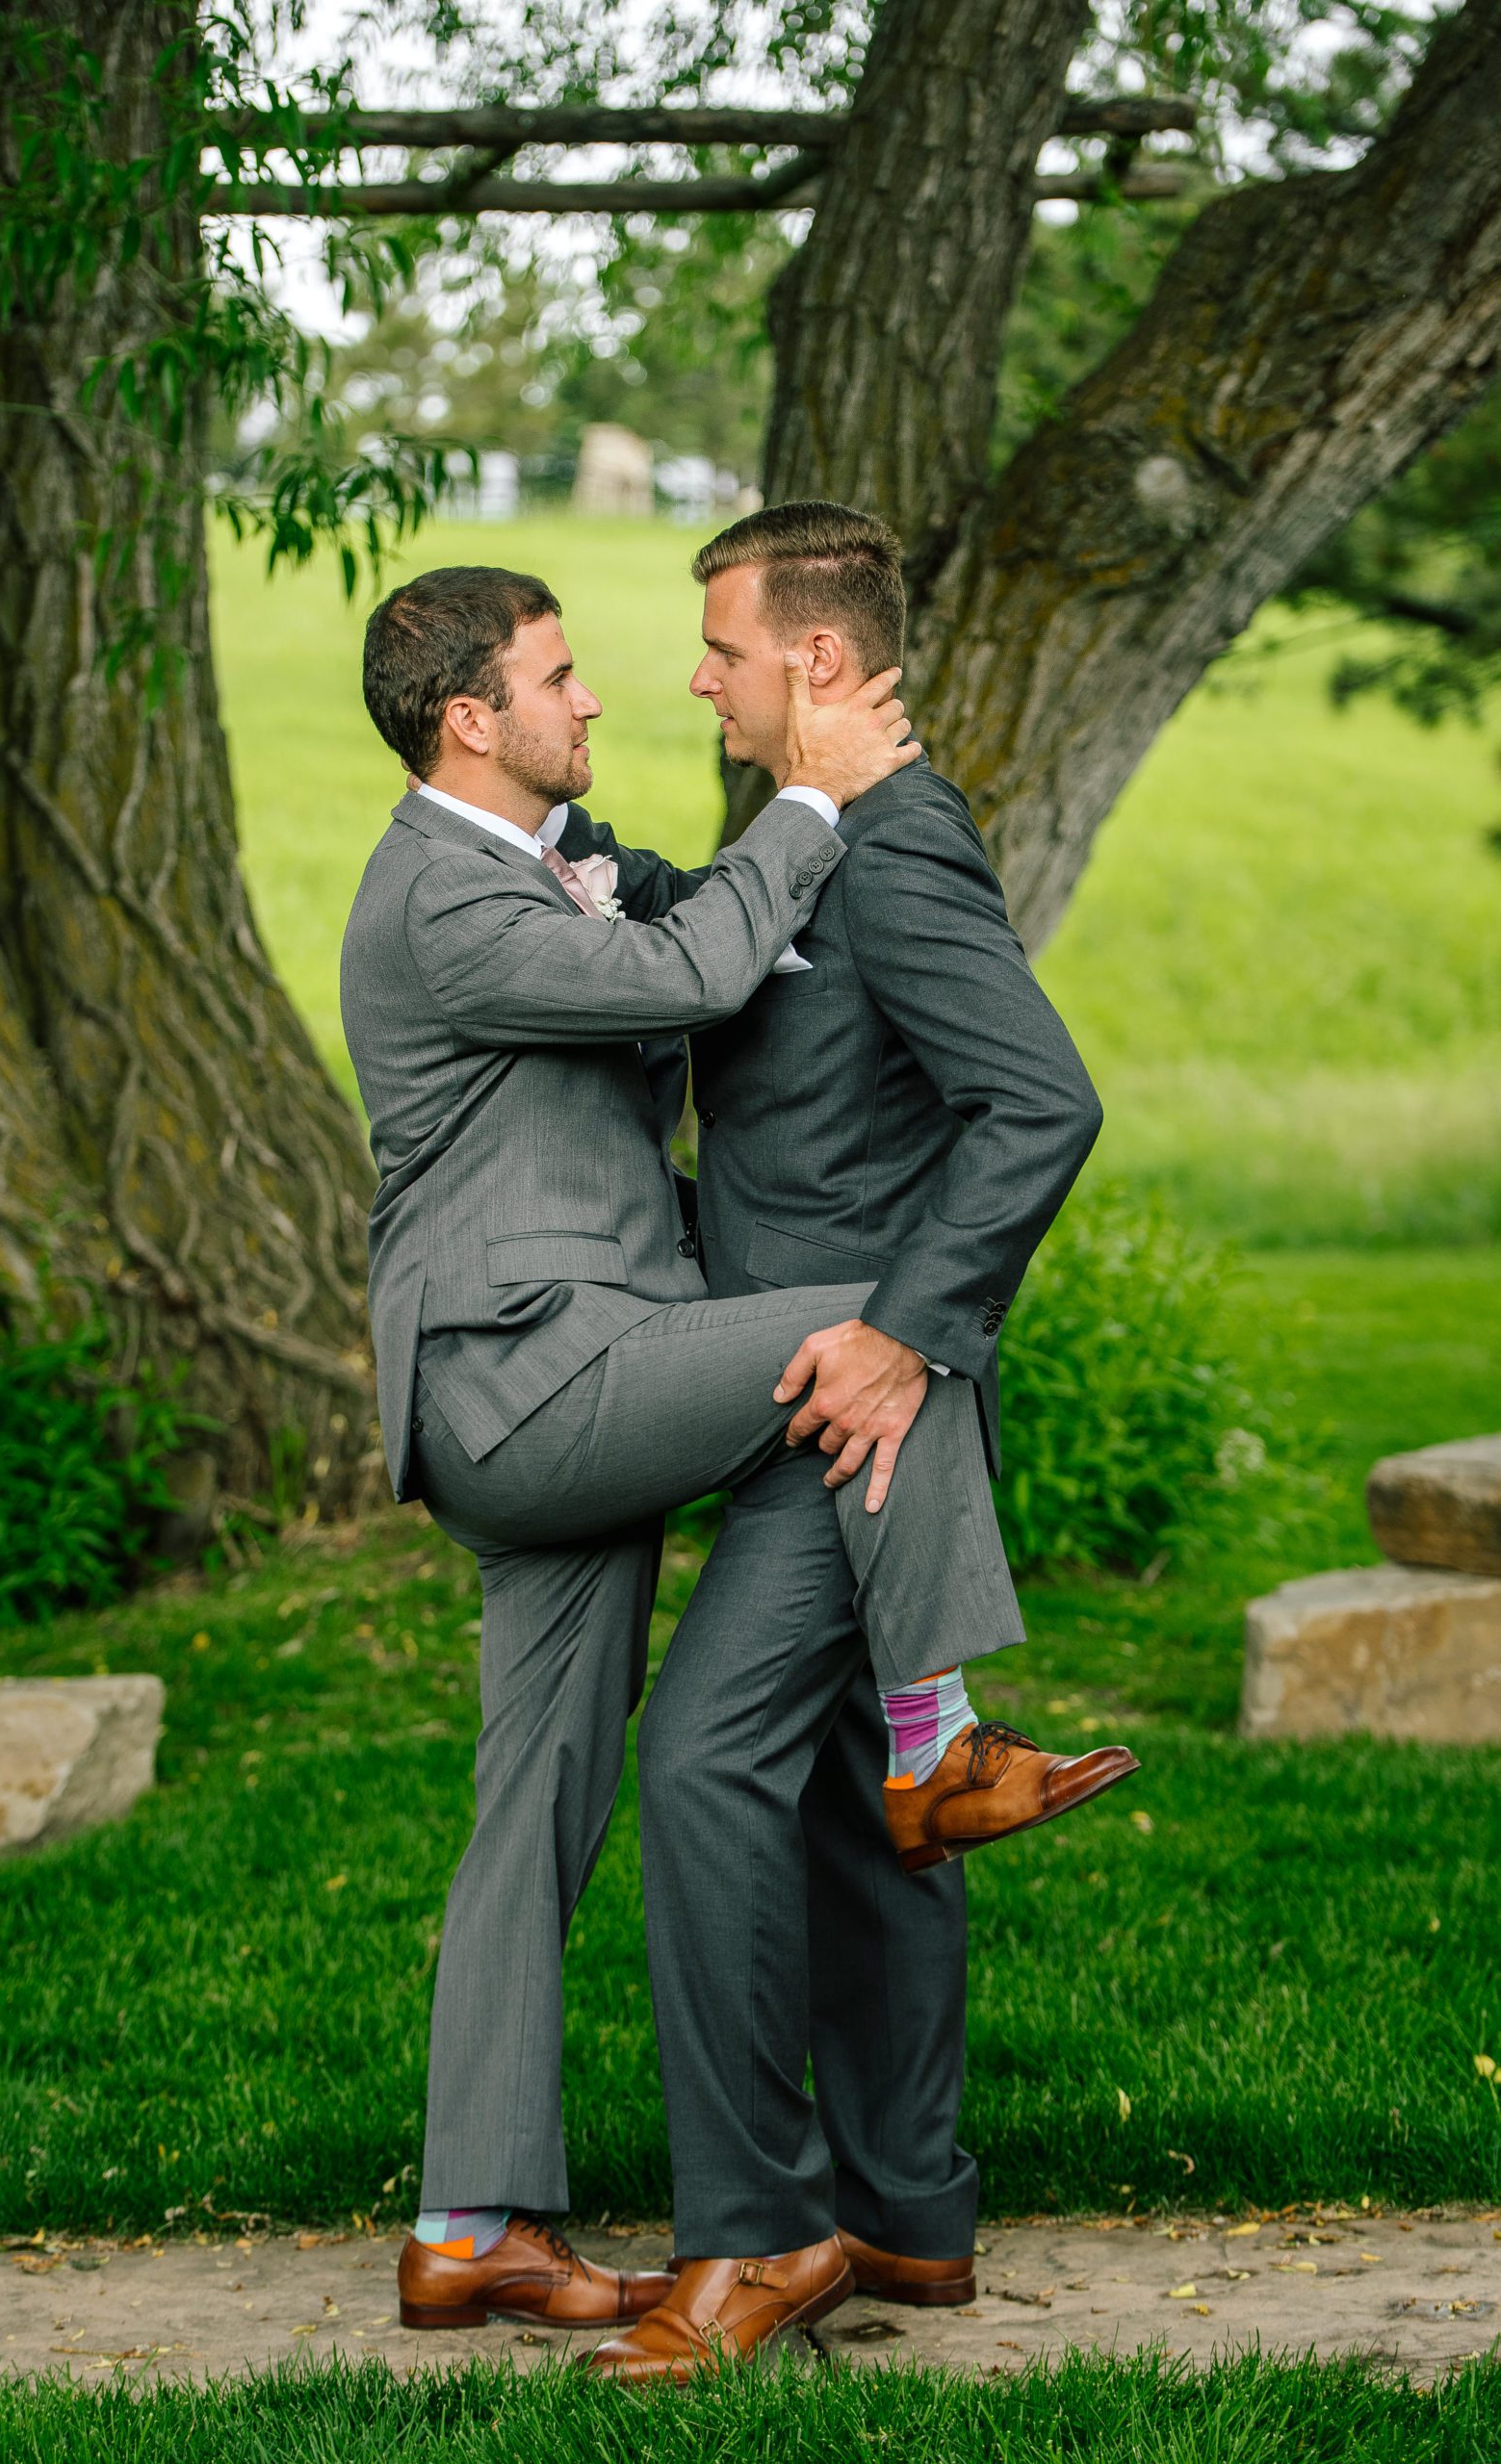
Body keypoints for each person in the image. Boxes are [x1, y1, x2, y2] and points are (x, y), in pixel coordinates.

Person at [341, 563, 1066, 2337]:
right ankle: (936, 1736)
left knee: (532, 1808)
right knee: (882, 1332)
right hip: (529, 1382)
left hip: (555, 1374)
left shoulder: (537, 863)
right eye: (557, 677)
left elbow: (668, 949)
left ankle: (466, 2224)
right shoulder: (440, 891)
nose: (597, 698)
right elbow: (690, 965)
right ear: (469, 719)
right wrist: (812, 796)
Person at [563, 501, 1131, 2383]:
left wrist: (904, 1332)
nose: (698, 678)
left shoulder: (899, 850)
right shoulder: (805, 841)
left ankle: (758, 2230)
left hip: (857, 1421)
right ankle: (908, 2211)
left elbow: (1039, 1100)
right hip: (785, 1400)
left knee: (701, 1757)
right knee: (841, 1793)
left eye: (723, 647)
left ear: (815, 656)